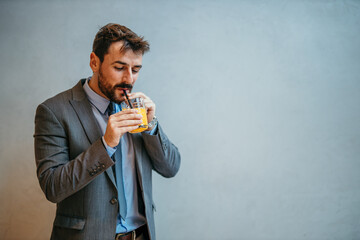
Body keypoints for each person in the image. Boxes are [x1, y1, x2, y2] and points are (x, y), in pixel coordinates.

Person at [34, 23, 181, 240]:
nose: (129, 79)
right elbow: (53, 187)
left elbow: (171, 168)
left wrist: (152, 126)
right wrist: (106, 144)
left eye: (136, 69)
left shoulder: (137, 108)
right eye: (119, 68)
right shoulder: (54, 111)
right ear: (94, 62)